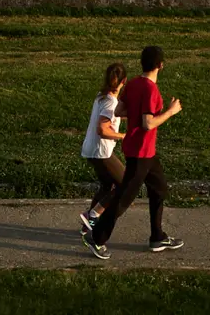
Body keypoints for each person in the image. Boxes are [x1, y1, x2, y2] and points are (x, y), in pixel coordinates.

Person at [82, 46, 184, 260]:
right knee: (123, 199)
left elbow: (119, 111)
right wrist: (170, 112)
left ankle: (157, 237)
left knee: (159, 189)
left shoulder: (133, 84)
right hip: (141, 152)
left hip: (145, 151)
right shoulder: (150, 89)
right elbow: (148, 124)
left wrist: (136, 112)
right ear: (161, 65)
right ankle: (97, 237)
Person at [78, 63, 128, 235]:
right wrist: (123, 136)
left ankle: (87, 226)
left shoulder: (101, 97)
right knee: (125, 183)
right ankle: (92, 215)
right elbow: (102, 129)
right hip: (101, 152)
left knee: (107, 186)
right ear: (124, 81)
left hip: (90, 149)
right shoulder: (110, 102)